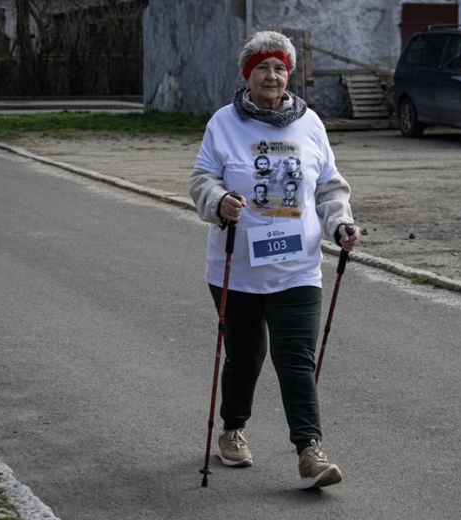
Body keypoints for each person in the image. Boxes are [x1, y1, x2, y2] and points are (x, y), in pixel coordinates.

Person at [190, 30, 361, 489]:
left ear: (290, 75)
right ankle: (231, 430)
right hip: (237, 268)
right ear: (248, 75)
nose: (273, 75)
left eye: (281, 68)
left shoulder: (310, 124)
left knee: (295, 358)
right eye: (263, 68)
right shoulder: (224, 123)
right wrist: (219, 200)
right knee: (245, 356)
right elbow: (202, 178)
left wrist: (340, 224)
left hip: (297, 267)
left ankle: (310, 452)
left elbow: (328, 187)